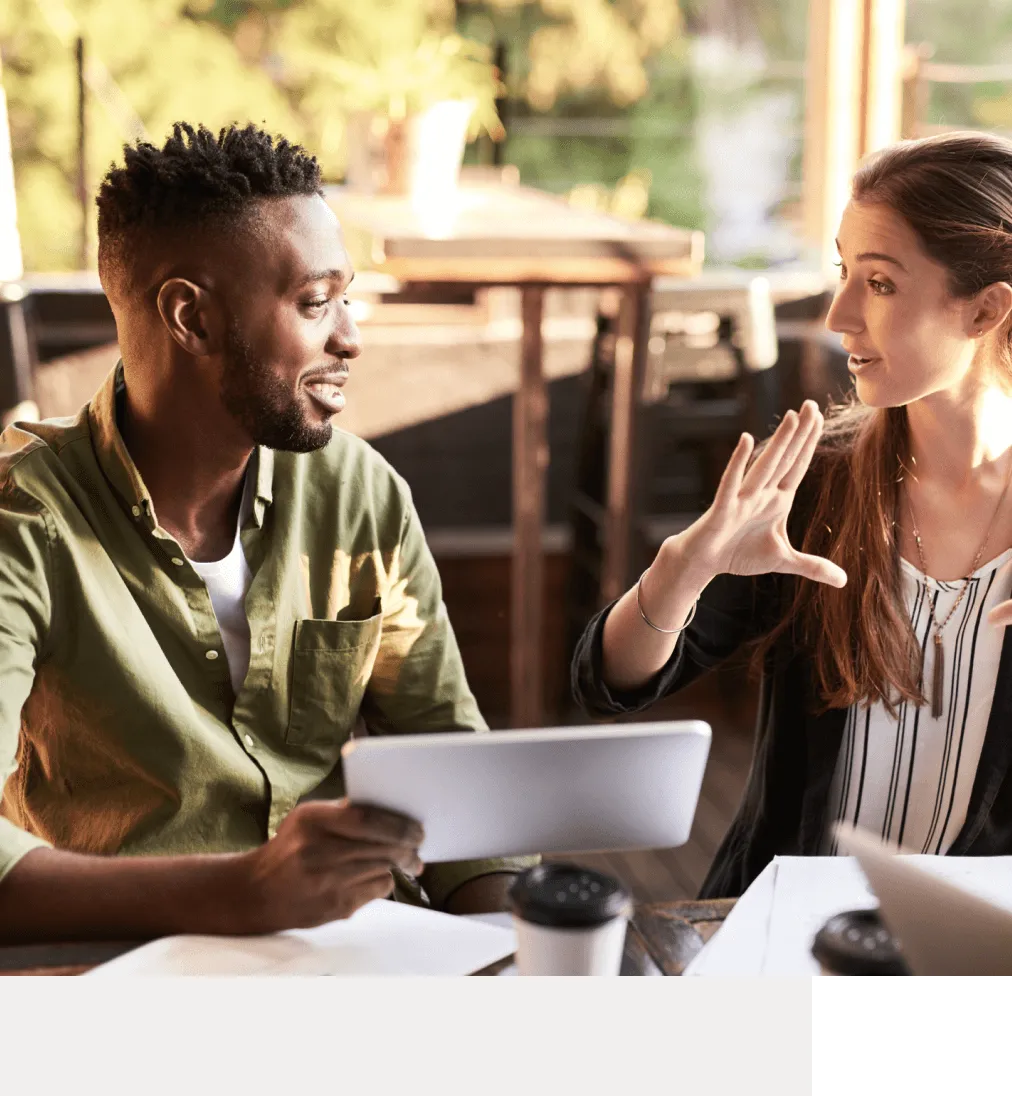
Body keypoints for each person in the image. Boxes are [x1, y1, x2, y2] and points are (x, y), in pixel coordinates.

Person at [0, 122, 534, 943]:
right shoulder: (25, 523)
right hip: (129, 973)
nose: (350, 338)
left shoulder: (360, 493)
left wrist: (521, 957)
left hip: (361, 952)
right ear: (191, 317)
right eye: (316, 303)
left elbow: (449, 768)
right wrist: (241, 894)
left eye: (346, 298)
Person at [573, 131, 1012, 899]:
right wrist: (682, 570)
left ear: (986, 310)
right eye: (843, 272)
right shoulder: (813, 488)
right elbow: (609, 684)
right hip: (783, 929)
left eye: (880, 283)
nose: (839, 314)